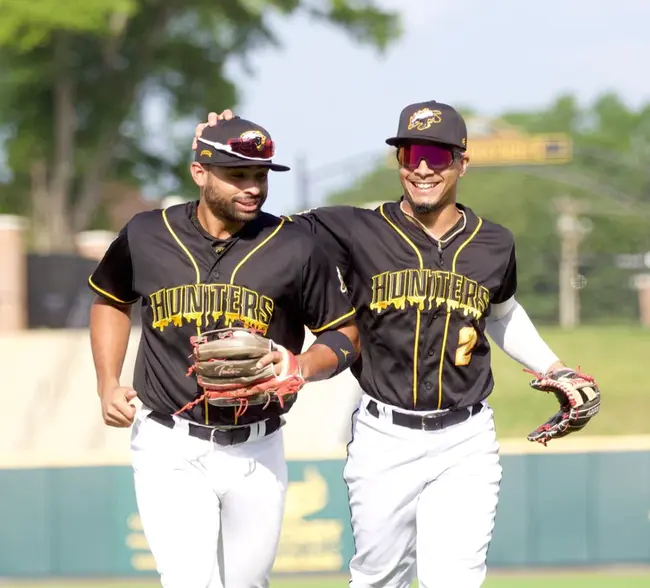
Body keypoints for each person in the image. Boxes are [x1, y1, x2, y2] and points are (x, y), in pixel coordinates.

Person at [191, 102, 599, 587]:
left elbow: (502, 313)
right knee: (380, 578)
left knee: (457, 577)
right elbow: (257, 225)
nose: (422, 167)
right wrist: (220, 154)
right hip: (385, 435)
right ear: (399, 161)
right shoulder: (351, 228)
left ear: (462, 162)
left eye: (437, 154)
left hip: (466, 437)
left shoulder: (494, 243)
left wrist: (554, 366)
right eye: (410, 154)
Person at [88, 116, 360, 588]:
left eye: (260, 175)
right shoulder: (147, 234)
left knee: (248, 584)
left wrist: (302, 366)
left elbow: (344, 334)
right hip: (169, 441)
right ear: (200, 172)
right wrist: (107, 382)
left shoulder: (295, 247)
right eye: (237, 175)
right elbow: (111, 299)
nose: (253, 187)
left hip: (258, 443)